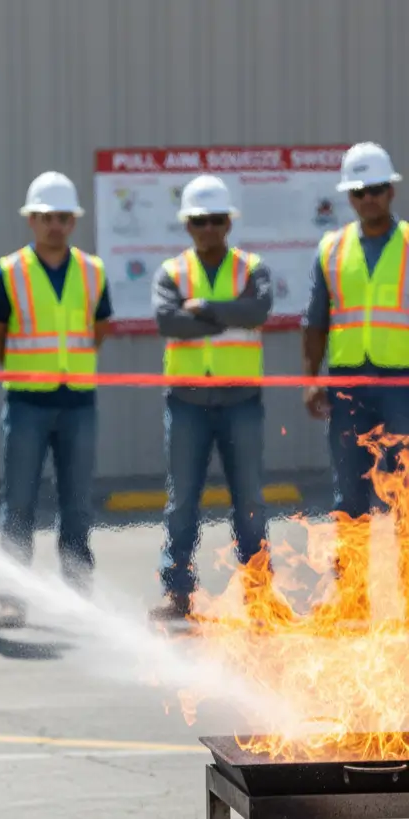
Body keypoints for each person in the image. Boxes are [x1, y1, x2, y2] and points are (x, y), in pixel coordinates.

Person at [0, 171, 112, 628]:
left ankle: (78, 592)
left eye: (62, 218)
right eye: (46, 218)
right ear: (31, 221)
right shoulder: (8, 273)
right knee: (17, 502)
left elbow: (99, 329)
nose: (55, 225)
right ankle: (12, 595)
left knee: (77, 502)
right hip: (26, 402)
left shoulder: (92, 272)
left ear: (72, 222)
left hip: (78, 401)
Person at [148, 175, 273, 621]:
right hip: (187, 401)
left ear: (229, 223)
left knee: (249, 500)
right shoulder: (172, 271)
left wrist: (203, 309)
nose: (208, 228)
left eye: (216, 220)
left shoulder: (251, 267)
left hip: (241, 400)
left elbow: (257, 311)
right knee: (182, 501)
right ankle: (177, 592)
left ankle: (259, 593)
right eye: (199, 221)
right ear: (187, 225)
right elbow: (168, 322)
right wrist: (225, 315)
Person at [302, 142, 409, 613]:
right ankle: (352, 597)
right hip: (347, 388)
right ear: (350, 197)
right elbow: (316, 322)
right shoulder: (331, 248)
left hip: (402, 386)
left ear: (391, 191)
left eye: (377, 189)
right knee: (350, 495)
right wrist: (310, 379)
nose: (369, 198)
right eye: (360, 191)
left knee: (404, 492)